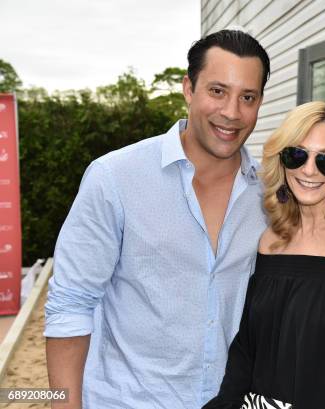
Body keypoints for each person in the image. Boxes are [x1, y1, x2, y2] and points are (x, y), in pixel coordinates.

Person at [44, 30, 270, 409]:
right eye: (217, 91)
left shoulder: (270, 193)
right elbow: (70, 305)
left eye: (247, 97)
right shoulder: (115, 177)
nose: (232, 112)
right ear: (188, 88)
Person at [204, 101, 325, 409]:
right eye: (296, 155)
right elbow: (247, 350)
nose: (309, 170)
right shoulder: (270, 241)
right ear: (282, 162)